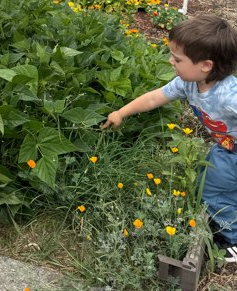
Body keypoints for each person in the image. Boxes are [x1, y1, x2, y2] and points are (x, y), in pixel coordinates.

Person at [102, 14, 237, 262]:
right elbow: (155, 97)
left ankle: (232, 239)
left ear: (205, 65)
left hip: (233, 152)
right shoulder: (188, 84)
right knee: (210, 179)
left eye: (177, 59)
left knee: (210, 189)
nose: (170, 61)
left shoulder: (229, 94)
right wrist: (121, 113)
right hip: (225, 146)